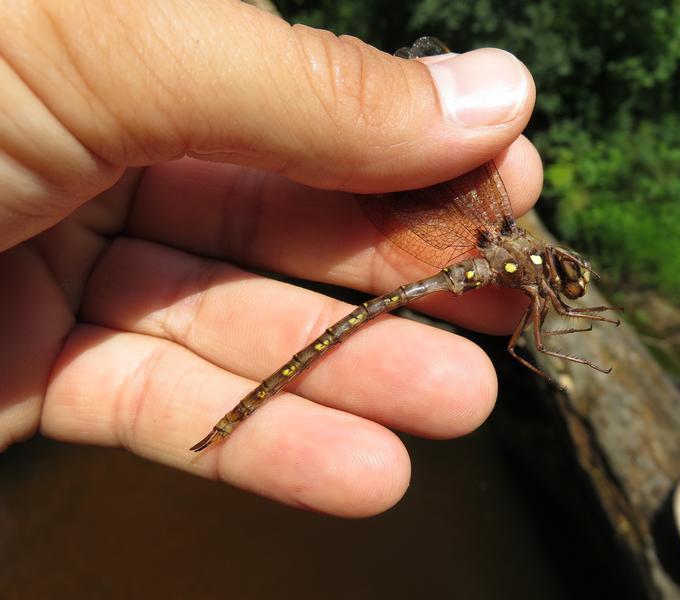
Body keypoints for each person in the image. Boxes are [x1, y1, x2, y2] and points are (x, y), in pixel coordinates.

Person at [0, 1, 540, 517]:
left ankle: (229, 421)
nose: (566, 283)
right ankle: (230, 420)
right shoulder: (509, 243)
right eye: (564, 274)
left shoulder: (516, 261)